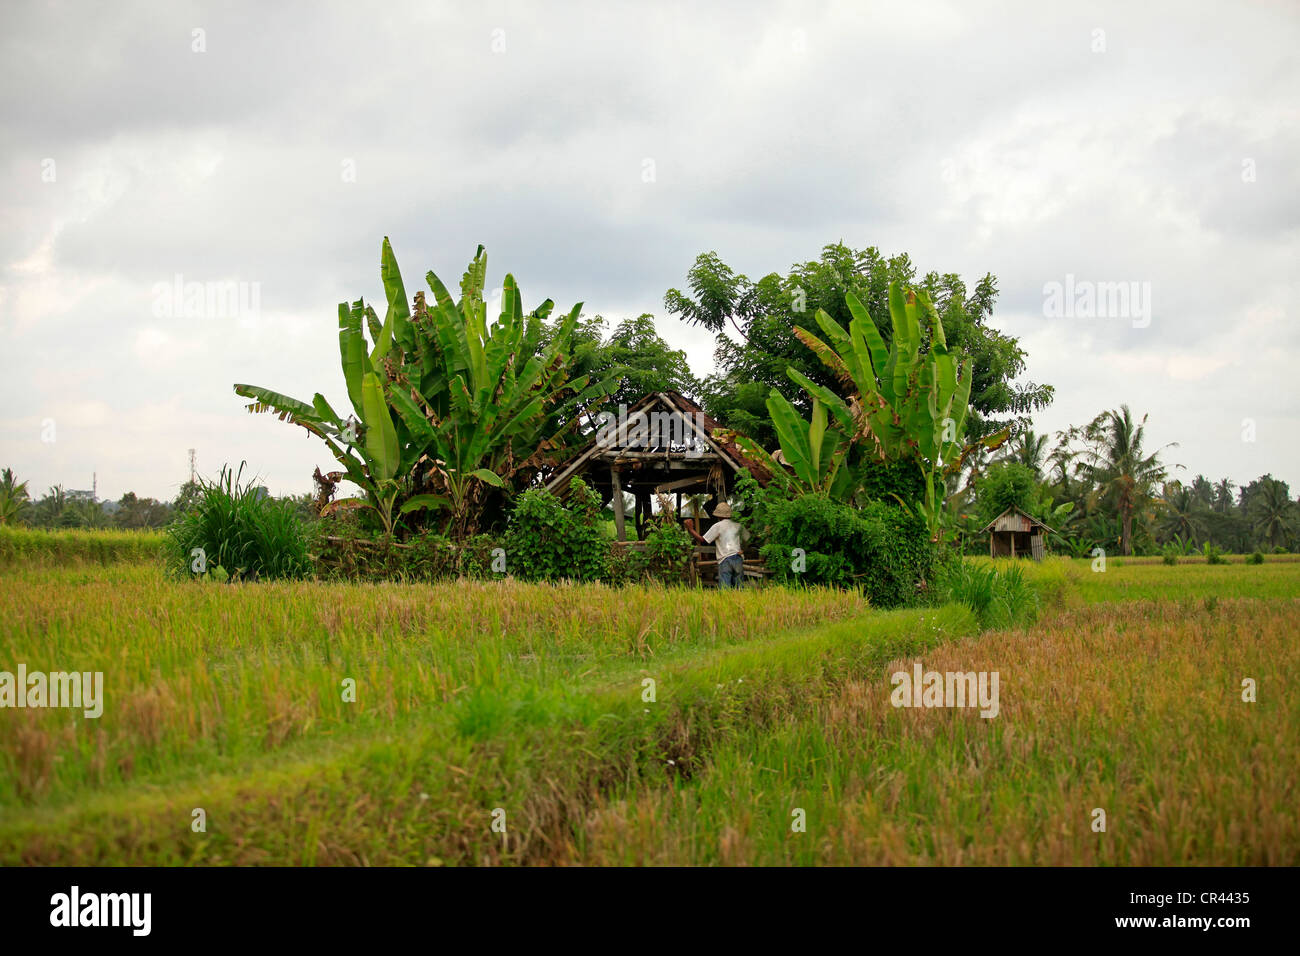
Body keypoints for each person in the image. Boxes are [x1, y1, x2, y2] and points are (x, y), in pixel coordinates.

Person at [687, 501, 749, 589]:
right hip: (738, 558)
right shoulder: (738, 525)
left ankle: (725, 601)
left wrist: (691, 529)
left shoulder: (718, 526)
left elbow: (703, 540)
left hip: (725, 560)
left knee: (725, 588)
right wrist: (743, 549)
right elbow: (748, 538)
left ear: (718, 516)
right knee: (739, 587)